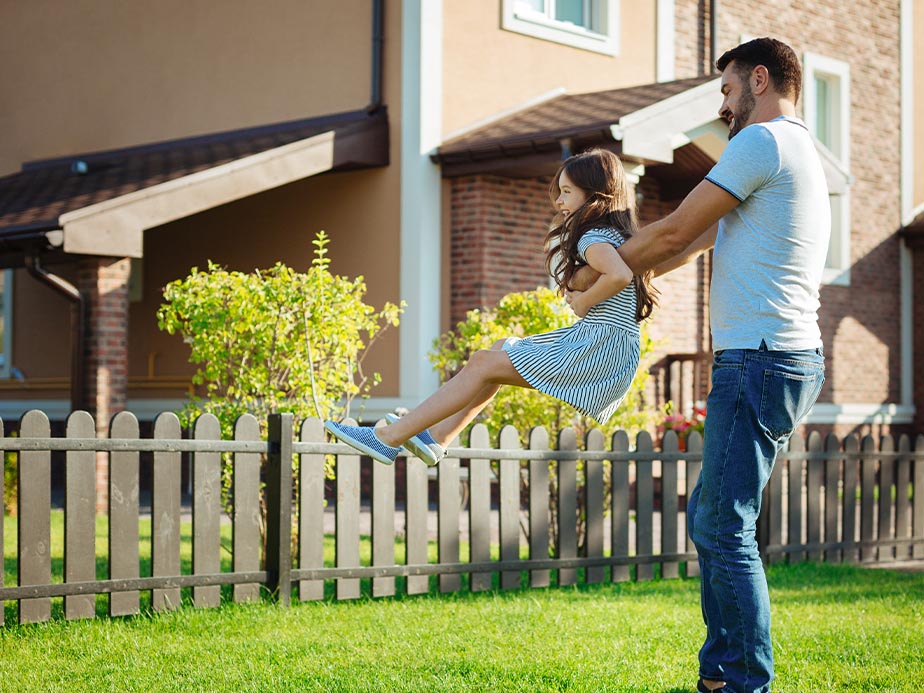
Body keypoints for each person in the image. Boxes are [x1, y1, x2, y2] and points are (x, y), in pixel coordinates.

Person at [575, 38, 827, 693]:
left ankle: (743, 680)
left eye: (727, 90)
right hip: (784, 356)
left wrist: (589, 286)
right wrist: (636, 284)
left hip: (759, 358)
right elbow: (694, 241)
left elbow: (672, 231)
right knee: (717, 518)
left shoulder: (761, 142)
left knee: (723, 522)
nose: (722, 105)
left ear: (761, 80)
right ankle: (720, 674)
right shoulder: (799, 150)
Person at [325, 148, 657, 467]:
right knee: (500, 351)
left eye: (567, 192)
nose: (558, 201)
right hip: (609, 346)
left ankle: (388, 437)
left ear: (594, 194)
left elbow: (619, 274)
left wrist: (583, 300)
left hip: (600, 346)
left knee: (484, 361)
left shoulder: (591, 237)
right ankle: (438, 437)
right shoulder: (616, 235)